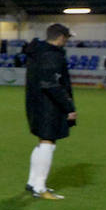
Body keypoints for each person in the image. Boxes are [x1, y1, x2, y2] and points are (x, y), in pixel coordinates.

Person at [23, 23, 76, 200]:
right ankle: (40, 187)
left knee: (43, 142)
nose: (67, 41)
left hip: (36, 103)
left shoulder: (37, 52)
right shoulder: (51, 55)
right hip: (48, 106)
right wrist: (68, 107)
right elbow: (51, 84)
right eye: (66, 38)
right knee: (48, 144)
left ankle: (33, 183)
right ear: (60, 36)